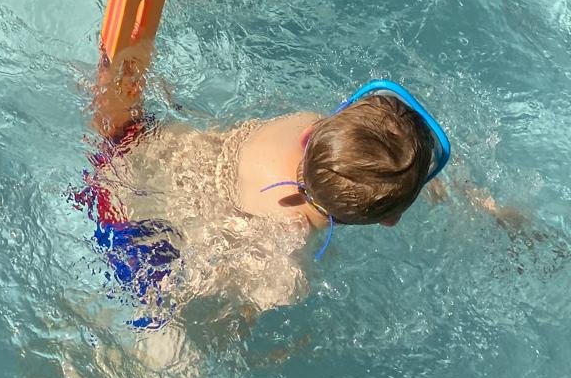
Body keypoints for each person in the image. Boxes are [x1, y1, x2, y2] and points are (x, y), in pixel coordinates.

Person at [76, 81, 453, 327]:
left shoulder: (302, 123)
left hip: (129, 153)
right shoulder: (287, 257)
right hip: (140, 246)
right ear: (391, 221)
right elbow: (223, 310)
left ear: (310, 136)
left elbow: (367, 151)